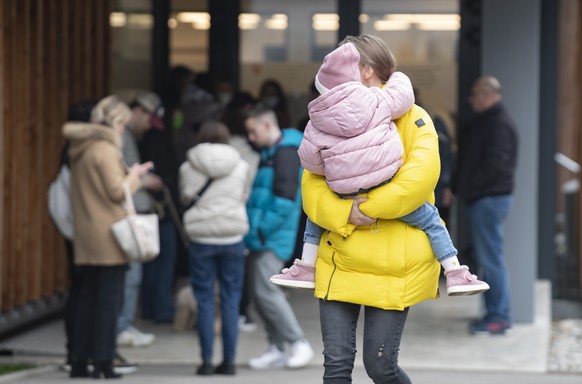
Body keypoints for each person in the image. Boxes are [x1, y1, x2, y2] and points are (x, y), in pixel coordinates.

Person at [270, 42, 488, 297]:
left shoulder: (321, 115)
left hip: (344, 211)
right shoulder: (384, 103)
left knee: (314, 221)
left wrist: (348, 205)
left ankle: (306, 266)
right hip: (387, 247)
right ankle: (454, 271)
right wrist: (373, 206)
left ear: (367, 71)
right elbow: (418, 179)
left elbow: (311, 169)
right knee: (432, 220)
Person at [300, 34, 450, 383]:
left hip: (392, 265)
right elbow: (311, 183)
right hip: (340, 259)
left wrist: (366, 207)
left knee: (380, 367)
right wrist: (345, 215)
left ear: (366, 70)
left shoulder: (414, 118)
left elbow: (420, 179)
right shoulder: (330, 118)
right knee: (335, 368)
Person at [64, 95, 153, 379]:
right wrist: (136, 175)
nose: (124, 130)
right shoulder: (104, 149)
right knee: (107, 301)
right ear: (116, 122)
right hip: (109, 237)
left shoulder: (81, 147)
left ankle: (79, 359)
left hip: (87, 234)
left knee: (88, 299)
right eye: (124, 124)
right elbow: (116, 191)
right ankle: (103, 360)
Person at [243, 106, 314, 370]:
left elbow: (285, 200)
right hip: (262, 236)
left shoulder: (284, 154)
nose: (250, 136)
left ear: (266, 125)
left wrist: (260, 230)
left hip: (271, 237)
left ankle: (297, 342)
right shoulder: (271, 152)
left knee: (267, 292)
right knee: (259, 294)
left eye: (252, 130)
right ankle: (276, 346)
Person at [179, 120, 252, 376]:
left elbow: (185, 197)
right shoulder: (241, 166)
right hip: (232, 237)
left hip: (201, 240)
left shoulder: (188, 167)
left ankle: (206, 361)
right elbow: (244, 196)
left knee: (205, 300)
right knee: (231, 301)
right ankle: (229, 362)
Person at [455, 76, 518, 335]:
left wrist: (471, 188)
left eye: (475, 95)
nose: (471, 100)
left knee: (491, 260)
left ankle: (499, 317)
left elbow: (495, 166)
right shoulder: (490, 121)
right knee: (489, 258)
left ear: (489, 94)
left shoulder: (498, 124)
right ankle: (494, 314)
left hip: (489, 200)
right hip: (486, 199)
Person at [116, 94, 163, 349]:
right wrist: (142, 181)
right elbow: (118, 180)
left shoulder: (127, 136)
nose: (149, 123)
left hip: (133, 213)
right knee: (130, 276)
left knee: (132, 275)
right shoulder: (119, 138)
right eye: (147, 115)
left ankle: (122, 325)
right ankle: (120, 327)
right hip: (127, 215)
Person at [131, 92, 180, 326]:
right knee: (164, 260)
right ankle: (162, 309)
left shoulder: (139, 139)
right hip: (159, 208)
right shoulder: (158, 138)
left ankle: (150, 307)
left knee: (151, 261)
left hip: (149, 208)